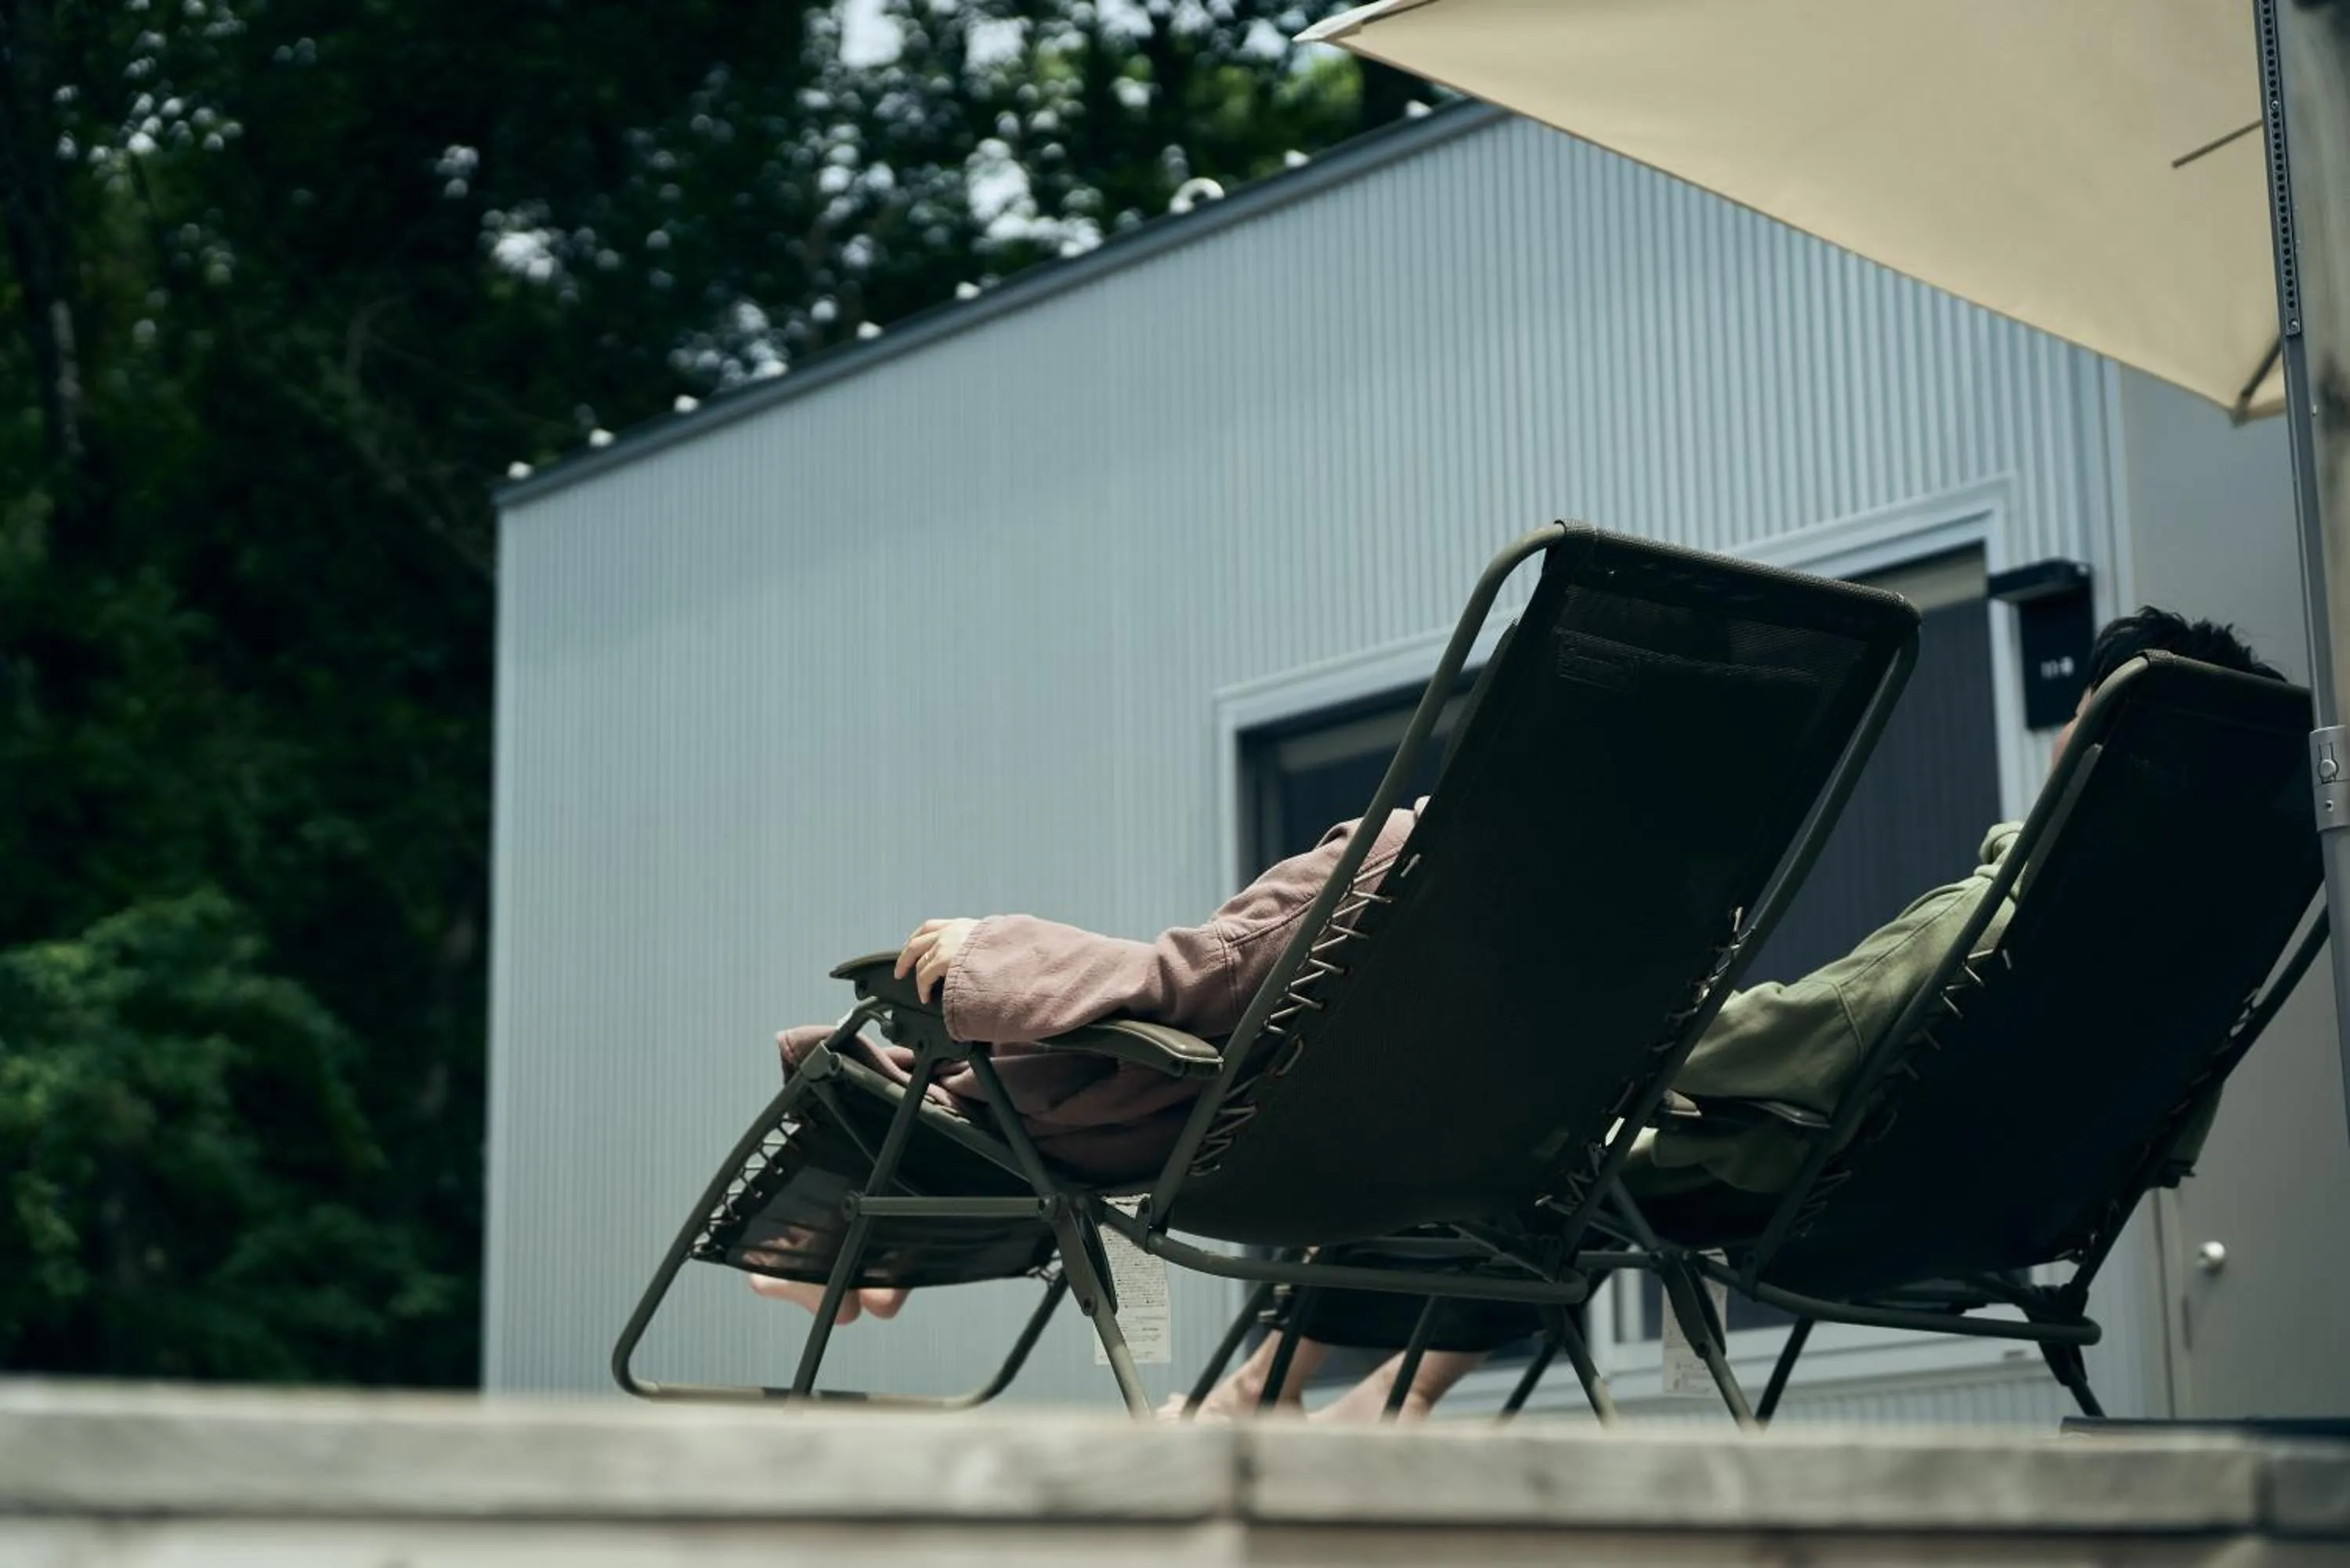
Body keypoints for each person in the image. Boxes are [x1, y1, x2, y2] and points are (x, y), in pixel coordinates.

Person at [753, 607, 2283, 1420]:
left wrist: (975, 946)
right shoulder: (2177, 947)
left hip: (1749, 1170)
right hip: (1986, 1211)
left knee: (1498, 1154)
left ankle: (1249, 1396)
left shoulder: (1418, 858)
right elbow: (2154, 1126)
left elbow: (1172, 983)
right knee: (1488, 1150)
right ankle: (1306, 1407)